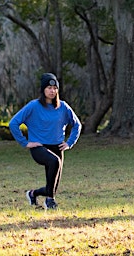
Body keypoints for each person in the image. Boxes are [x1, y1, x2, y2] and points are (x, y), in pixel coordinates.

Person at [9, 73, 82, 209]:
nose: (52, 91)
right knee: (54, 161)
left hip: (58, 147)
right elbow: (13, 123)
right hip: (39, 147)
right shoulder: (34, 106)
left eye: (55, 88)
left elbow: (77, 125)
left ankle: (33, 194)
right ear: (43, 90)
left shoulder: (63, 107)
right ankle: (49, 201)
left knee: (53, 185)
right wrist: (25, 143)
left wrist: (69, 142)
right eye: (49, 88)